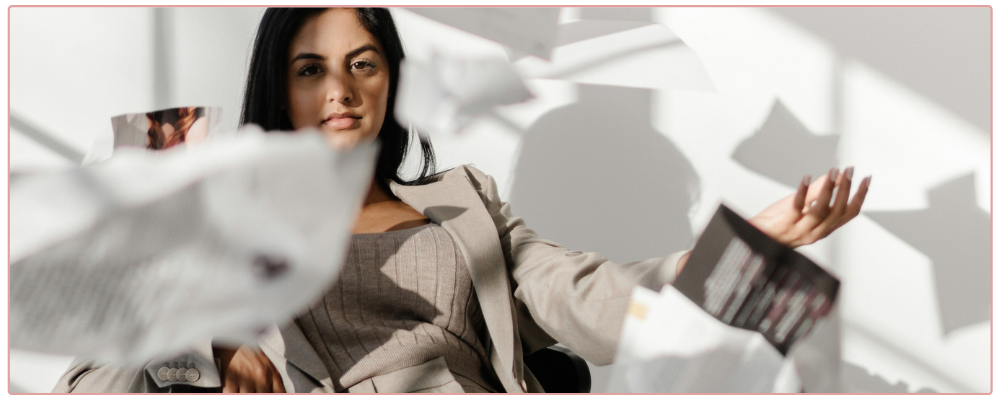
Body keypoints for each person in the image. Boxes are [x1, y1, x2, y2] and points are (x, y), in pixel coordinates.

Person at [55, 7, 869, 393]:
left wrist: (745, 244)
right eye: (311, 69)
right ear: (279, 83)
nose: (340, 90)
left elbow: (582, 292)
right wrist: (212, 348)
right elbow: (87, 378)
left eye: (364, 63)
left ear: (391, 81)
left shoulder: (462, 199)